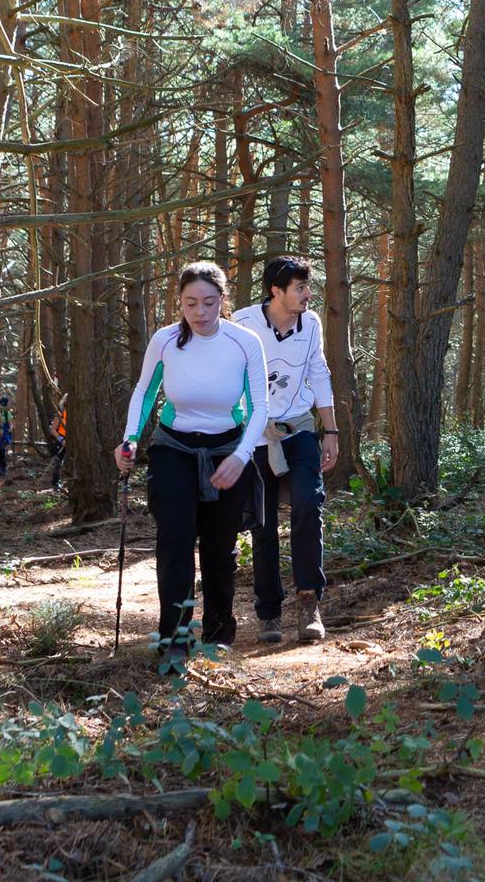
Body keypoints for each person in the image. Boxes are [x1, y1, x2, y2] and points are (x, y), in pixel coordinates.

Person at [114, 261, 271, 676]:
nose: (200, 312)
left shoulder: (245, 341)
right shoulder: (165, 340)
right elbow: (145, 391)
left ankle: (218, 634)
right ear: (179, 303)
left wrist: (240, 457)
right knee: (176, 541)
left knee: (220, 549)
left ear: (222, 300)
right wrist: (130, 438)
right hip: (174, 447)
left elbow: (259, 407)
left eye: (208, 302)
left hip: (227, 450)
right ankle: (174, 639)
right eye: (190, 303)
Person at [232, 255, 339, 644]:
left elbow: (319, 372)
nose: (308, 295)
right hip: (256, 436)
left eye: (307, 287)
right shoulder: (242, 323)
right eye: (300, 288)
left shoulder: (310, 323)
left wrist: (331, 430)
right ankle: (268, 613)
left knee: (309, 506)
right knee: (262, 523)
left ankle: (309, 602)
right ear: (276, 291)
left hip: (299, 430)